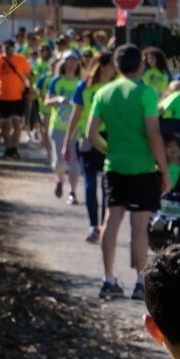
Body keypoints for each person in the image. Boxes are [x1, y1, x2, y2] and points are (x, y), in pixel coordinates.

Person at [86, 44, 169, 300]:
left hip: (115, 165)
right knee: (139, 225)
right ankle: (140, 282)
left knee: (111, 221)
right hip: (142, 167)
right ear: (141, 66)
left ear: (117, 67)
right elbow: (154, 134)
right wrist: (163, 169)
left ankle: (108, 279)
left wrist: (109, 149)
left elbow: (90, 134)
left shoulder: (104, 92)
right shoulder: (147, 94)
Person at [68, 52, 117, 245]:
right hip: (89, 138)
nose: (116, 68)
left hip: (109, 139)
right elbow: (75, 115)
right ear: (104, 66)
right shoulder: (84, 86)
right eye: (112, 65)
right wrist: (67, 142)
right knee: (90, 183)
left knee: (106, 185)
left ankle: (102, 226)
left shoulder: (114, 87)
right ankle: (93, 225)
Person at [45, 51, 84, 204]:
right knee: (59, 161)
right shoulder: (56, 81)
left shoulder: (81, 83)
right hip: (58, 126)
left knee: (75, 163)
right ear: (63, 63)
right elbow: (47, 102)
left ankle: (73, 192)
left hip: (76, 127)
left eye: (75, 60)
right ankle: (59, 180)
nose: (72, 64)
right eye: (69, 60)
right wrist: (58, 99)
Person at [0, 41, 33, 159]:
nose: (8, 51)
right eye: (6, 49)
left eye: (10, 48)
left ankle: (14, 148)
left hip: (18, 96)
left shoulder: (21, 59)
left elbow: (29, 75)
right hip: (2, 96)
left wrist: (30, 90)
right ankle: (8, 148)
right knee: (6, 124)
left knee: (17, 122)